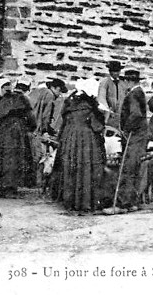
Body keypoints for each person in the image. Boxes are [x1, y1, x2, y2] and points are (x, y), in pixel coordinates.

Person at [50, 78, 107, 213]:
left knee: (71, 167)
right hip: (86, 139)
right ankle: (85, 201)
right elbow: (97, 126)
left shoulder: (70, 103)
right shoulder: (89, 106)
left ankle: (70, 201)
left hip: (69, 138)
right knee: (86, 167)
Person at [0, 77, 36, 197]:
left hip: (3, 130)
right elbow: (31, 118)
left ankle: (0, 186)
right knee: (14, 158)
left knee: (2, 156)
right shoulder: (23, 99)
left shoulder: (2, 100)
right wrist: (30, 128)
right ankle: (10, 188)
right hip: (17, 131)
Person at [116, 68, 149, 212]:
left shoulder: (134, 94)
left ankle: (125, 203)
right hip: (139, 135)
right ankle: (131, 202)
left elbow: (135, 114)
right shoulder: (138, 92)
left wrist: (126, 129)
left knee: (128, 168)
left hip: (134, 136)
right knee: (133, 168)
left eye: (124, 81)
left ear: (128, 81)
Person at [27, 77, 67, 187]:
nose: (59, 94)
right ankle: (37, 182)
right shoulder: (49, 95)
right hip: (38, 129)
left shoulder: (40, 91)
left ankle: (31, 180)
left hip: (32, 127)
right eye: (59, 90)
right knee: (41, 156)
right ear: (53, 87)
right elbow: (46, 115)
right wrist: (46, 131)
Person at [98, 60, 125, 131]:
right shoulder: (105, 82)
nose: (116, 73)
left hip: (120, 115)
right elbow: (101, 98)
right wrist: (108, 110)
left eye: (118, 71)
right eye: (114, 71)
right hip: (109, 115)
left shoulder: (122, 83)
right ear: (110, 72)